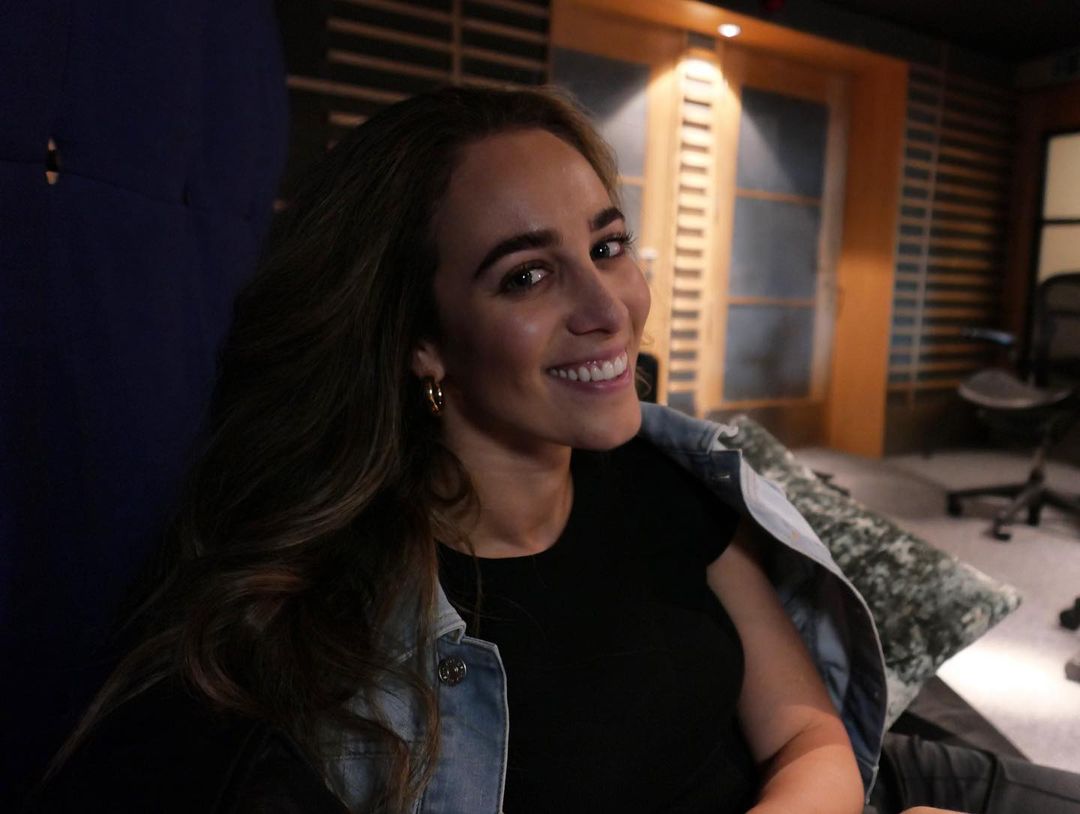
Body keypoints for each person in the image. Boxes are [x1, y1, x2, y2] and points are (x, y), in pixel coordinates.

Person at [28, 85, 1080, 814]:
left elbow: (812, 739)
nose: (609, 307)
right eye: (526, 275)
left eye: (607, 245)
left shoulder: (661, 477)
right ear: (422, 339)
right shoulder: (343, 630)